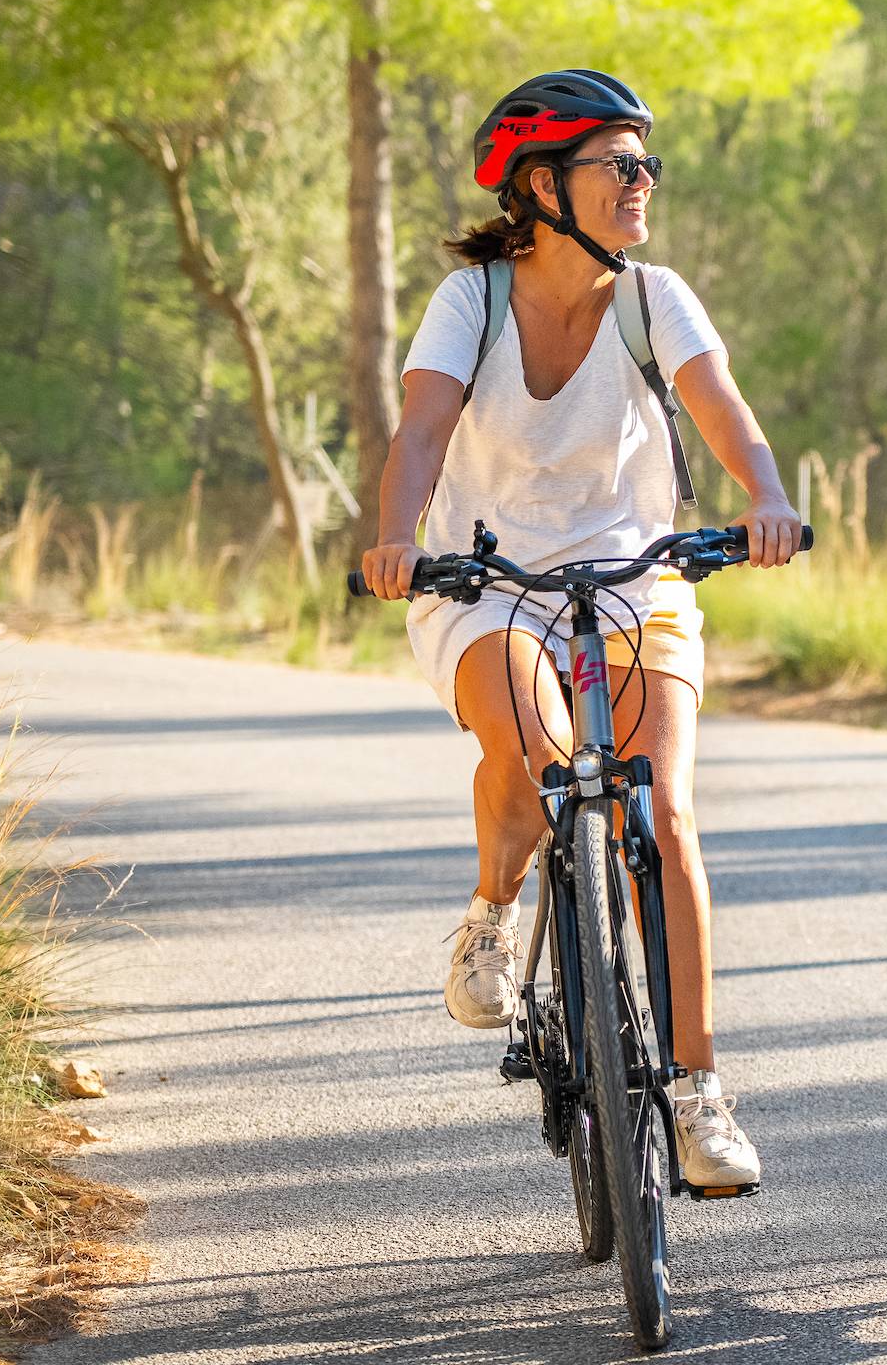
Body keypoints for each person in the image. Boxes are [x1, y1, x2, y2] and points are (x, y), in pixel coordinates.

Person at [359, 69, 801, 1186]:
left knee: (667, 809)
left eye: (648, 161)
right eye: (621, 163)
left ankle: (698, 1095)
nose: (643, 180)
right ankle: (494, 910)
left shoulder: (656, 297)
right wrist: (396, 532)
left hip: (636, 576)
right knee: (535, 750)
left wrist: (768, 499)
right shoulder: (474, 303)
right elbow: (421, 430)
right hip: (485, 580)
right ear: (543, 186)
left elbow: (722, 407)